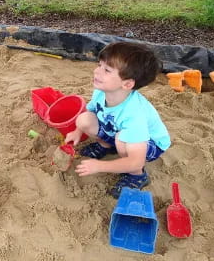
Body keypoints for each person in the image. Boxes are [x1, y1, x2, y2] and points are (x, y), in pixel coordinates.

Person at [65, 41, 170, 198]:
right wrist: (77, 131)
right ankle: (105, 145)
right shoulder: (101, 92)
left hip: (150, 145)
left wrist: (99, 166)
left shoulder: (134, 115)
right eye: (99, 65)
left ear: (127, 84)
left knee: (122, 141)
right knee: (84, 119)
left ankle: (138, 176)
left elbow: (136, 160)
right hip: (117, 129)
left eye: (106, 70)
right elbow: (91, 110)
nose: (96, 71)